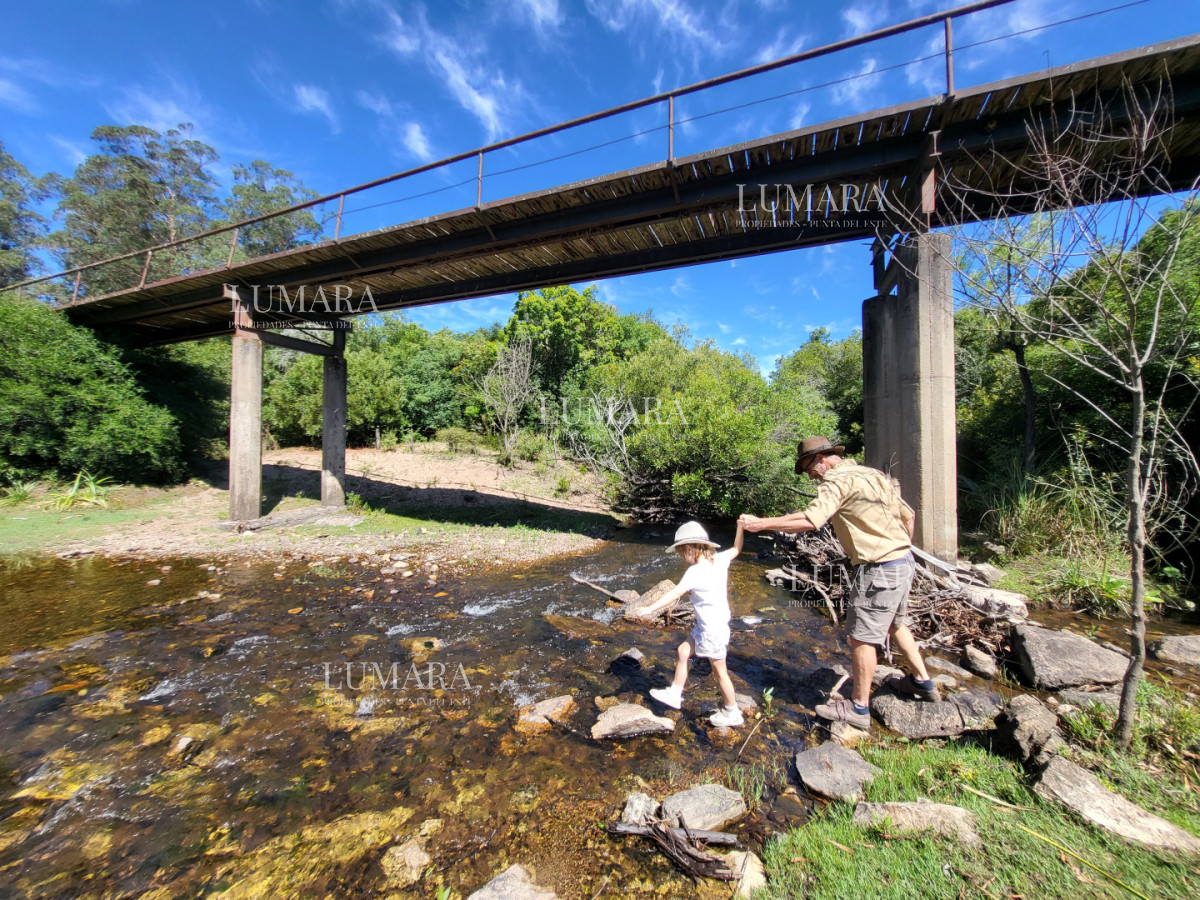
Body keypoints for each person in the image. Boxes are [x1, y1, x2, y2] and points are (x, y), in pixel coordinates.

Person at [739, 436, 938, 730]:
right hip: (903, 561)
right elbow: (909, 516)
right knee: (896, 624)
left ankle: (858, 708)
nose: (809, 475)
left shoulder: (834, 482)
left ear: (821, 458)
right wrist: (898, 547)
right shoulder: (873, 475)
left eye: (808, 468)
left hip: (879, 567)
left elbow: (811, 519)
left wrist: (760, 524)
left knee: (861, 637)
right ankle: (923, 682)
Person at [632, 520, 745, 728]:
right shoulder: (719, 560)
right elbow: (737, 549)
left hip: (711, 630)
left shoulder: (695, 572)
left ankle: (733, 711)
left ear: (690, 549)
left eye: (682, 553)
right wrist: (739, 527)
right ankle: (675, 693)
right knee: (684, 650)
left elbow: (675, 593)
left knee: (720, 672)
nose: (683, 558)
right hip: (711, 626)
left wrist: (649, 609)